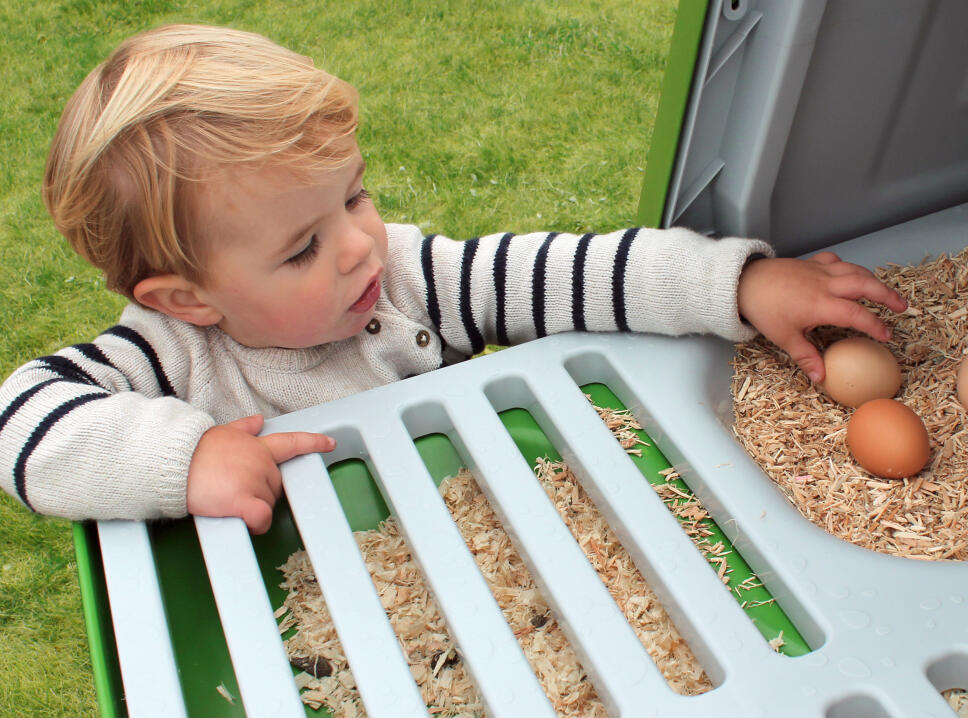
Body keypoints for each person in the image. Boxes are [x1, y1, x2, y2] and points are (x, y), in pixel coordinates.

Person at [0, 24, 906, 534]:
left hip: (466, 546)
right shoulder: (171, 356)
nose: (359, 246)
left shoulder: (404, 281)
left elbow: (576, 272)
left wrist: (735, 286)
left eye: (352, 198)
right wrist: (187, 456)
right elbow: (21, 422)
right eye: (301, 250)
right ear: (189, 296)